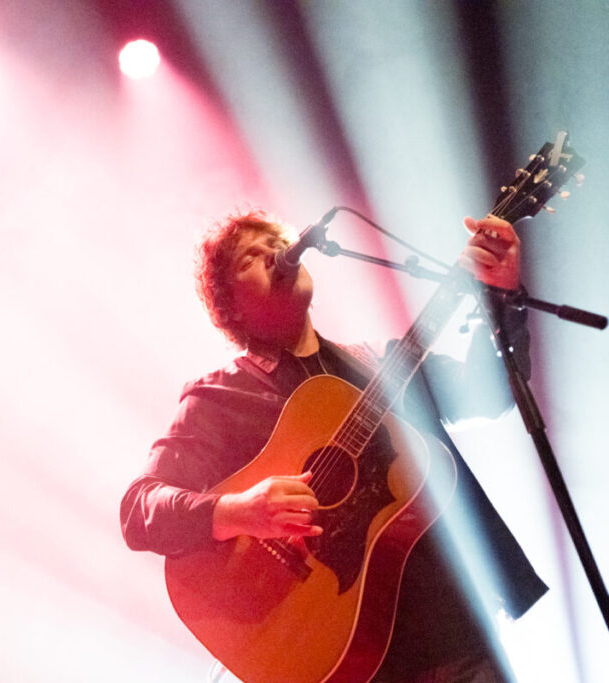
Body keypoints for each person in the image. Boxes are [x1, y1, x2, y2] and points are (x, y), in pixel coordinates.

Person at [120, 210, 548, 682]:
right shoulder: (219, 399)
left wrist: (501, 294)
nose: (271, 251)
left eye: (275, 240)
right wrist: (238, 510)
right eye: (250, 256)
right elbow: (140, 508)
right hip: (334, 656)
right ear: (231, 306)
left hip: (452, 637)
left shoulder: (381, 366)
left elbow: (489, 392)